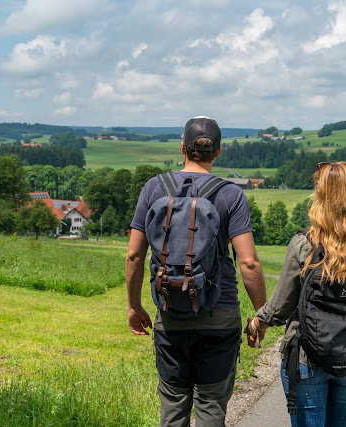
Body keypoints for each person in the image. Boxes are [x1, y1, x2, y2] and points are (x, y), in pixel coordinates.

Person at [126, 116, 267, 427]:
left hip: (170, 312)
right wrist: (261, 315)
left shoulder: (154, 188)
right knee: (211, 408)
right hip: (220, 316)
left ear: (183, 148)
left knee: (173, 409)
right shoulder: (231, 194)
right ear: (218, 152)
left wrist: (135, 306)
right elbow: (249, 263)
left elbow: (135, 254)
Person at [245, 162, 346, 427]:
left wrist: (257, 323)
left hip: (305, 358)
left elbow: (280, 307)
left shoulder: (305, 245)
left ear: (321, 196)